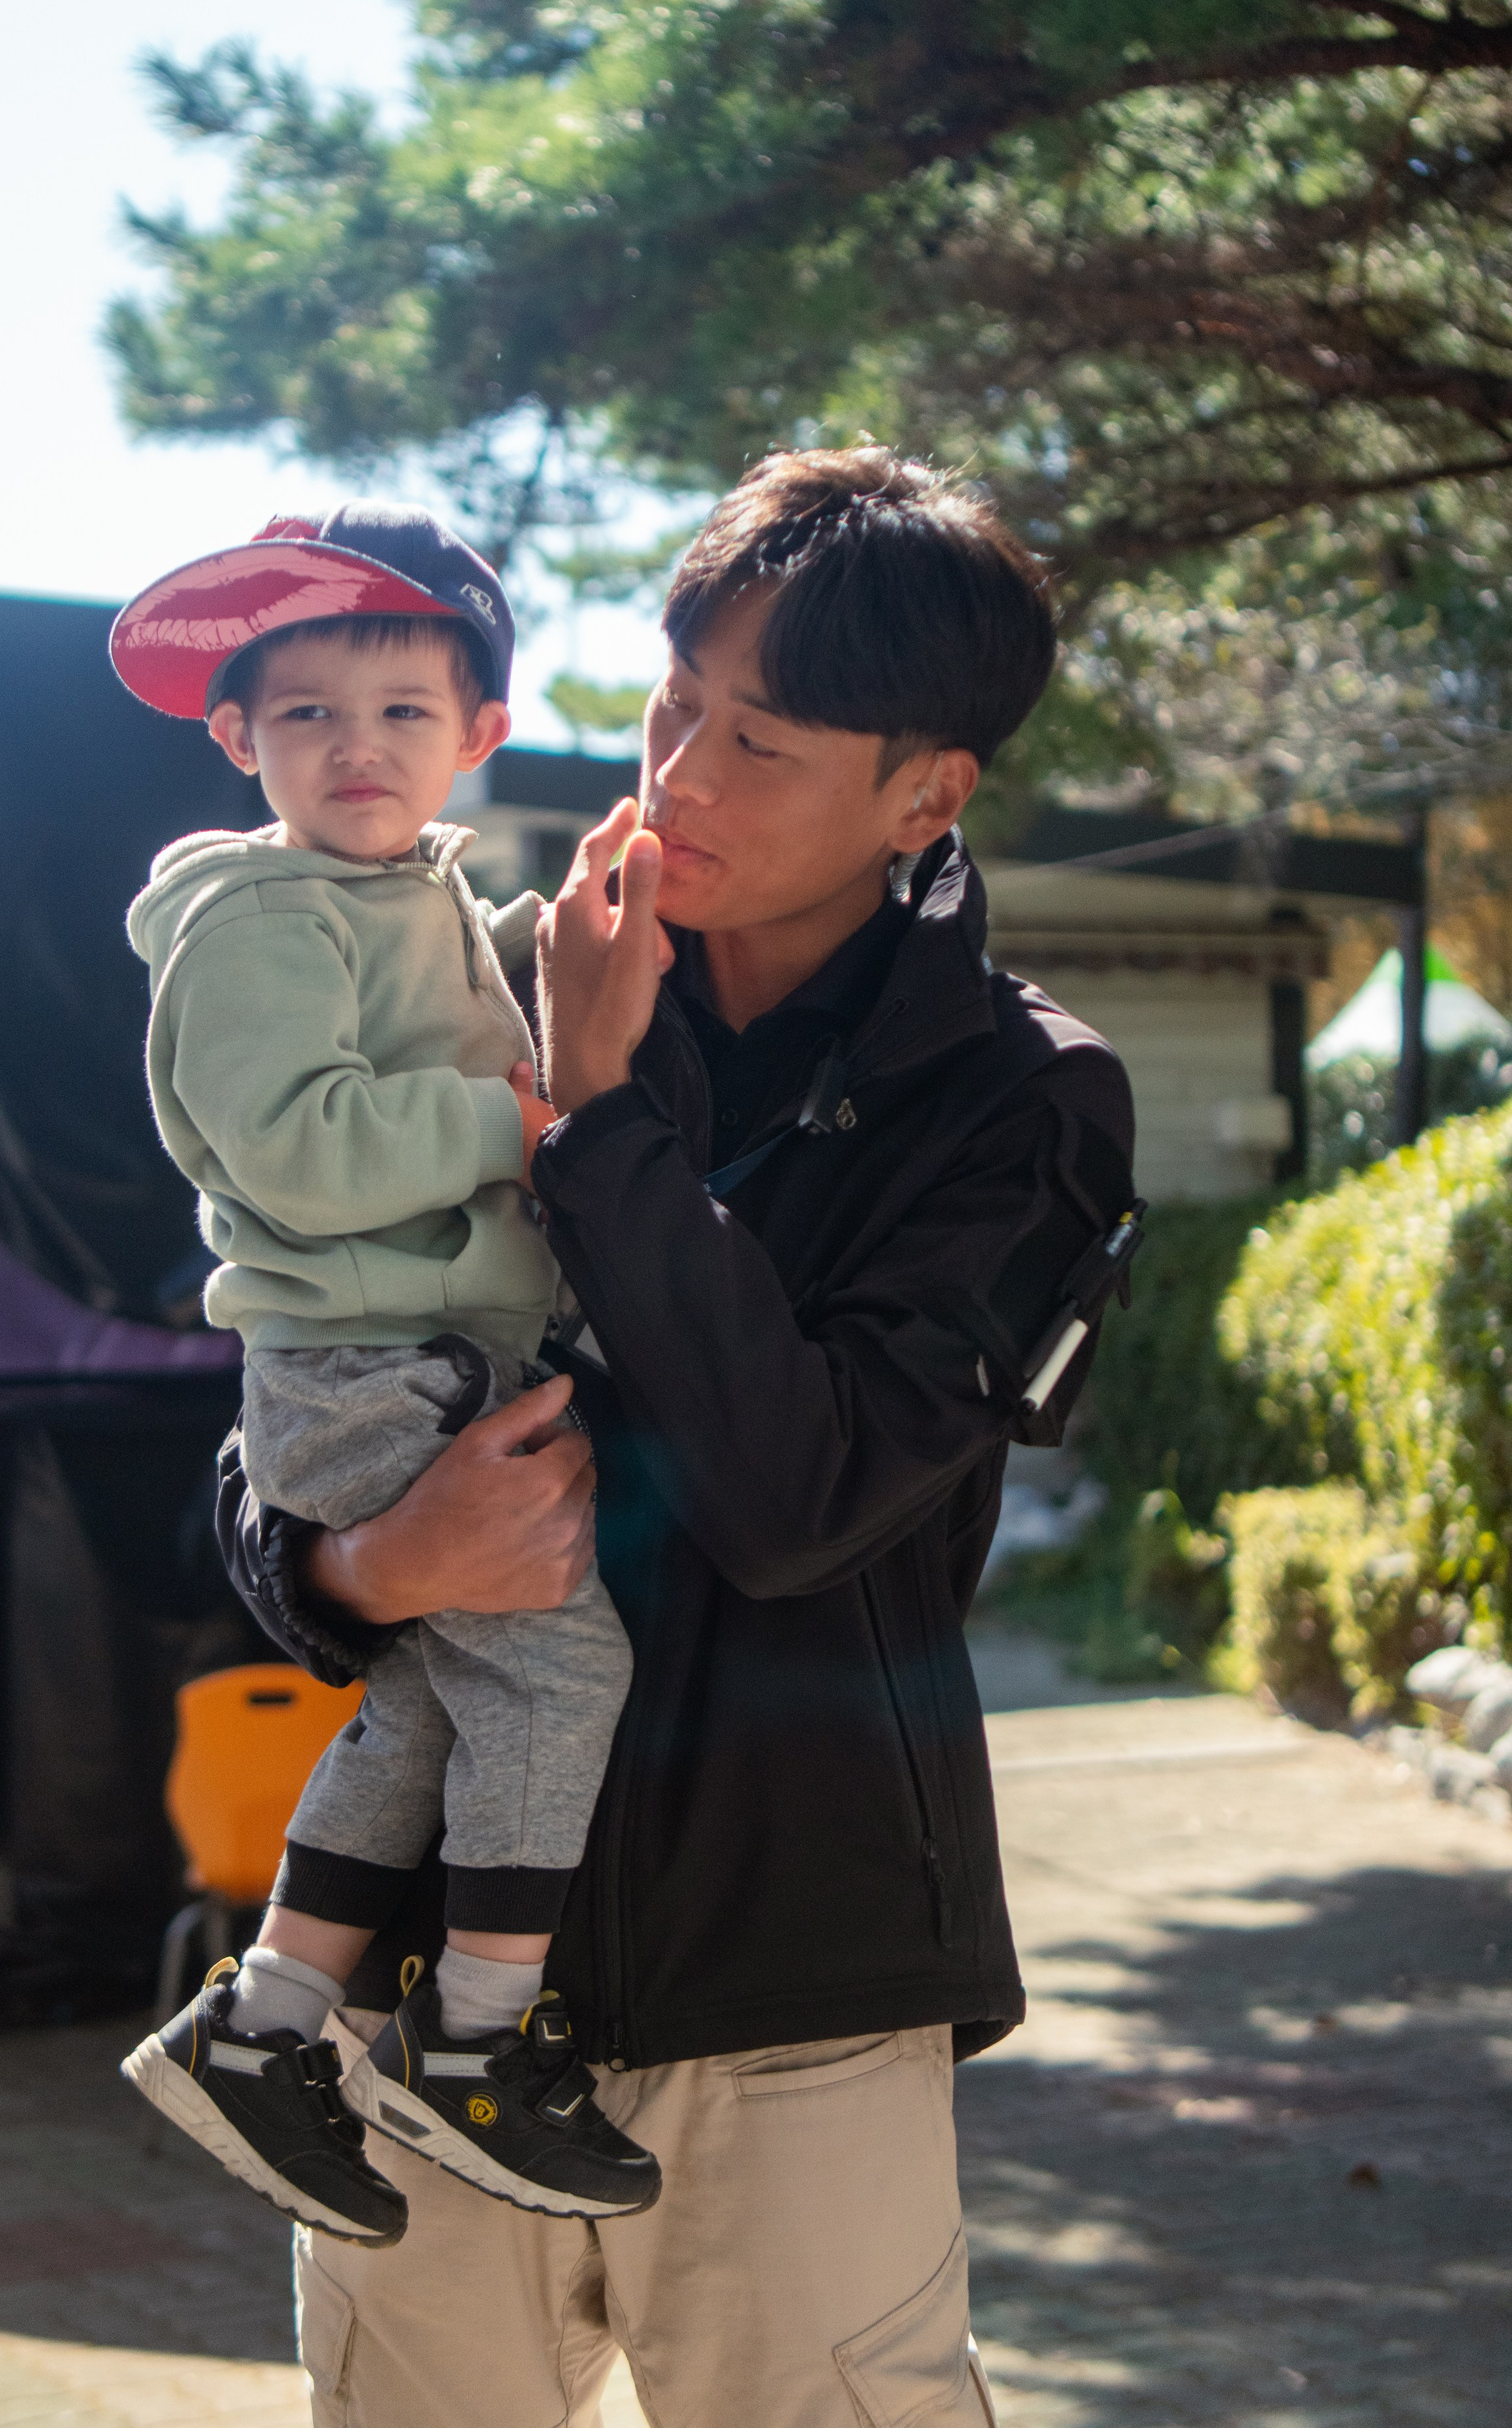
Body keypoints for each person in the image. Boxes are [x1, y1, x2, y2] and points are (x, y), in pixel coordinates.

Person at [218, 448, 1140, 2427]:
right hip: (421, 1990)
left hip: (795, 1992)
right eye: (674, 702)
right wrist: (364, 1567)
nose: (685, 771)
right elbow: (282, 1400)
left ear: (924, 793)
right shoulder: (462, 971)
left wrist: (599, 1107)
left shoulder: (1022, 1100)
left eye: (765, 740)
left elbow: (798, 1499)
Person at [109, 505, 660, 2247]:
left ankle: (263, 2028)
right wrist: (517, 1115)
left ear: (476, 735)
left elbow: (443, 1007)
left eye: (404, 713)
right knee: (565, 1674)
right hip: (359, 1366)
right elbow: (300, 1151)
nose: (358, 749)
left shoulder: (398, 890)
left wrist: (542, 953)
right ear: (236, 738)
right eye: (309, 717)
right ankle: (476, 2047)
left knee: (431, 1704)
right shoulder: (261, 918)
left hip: (421, 1351)